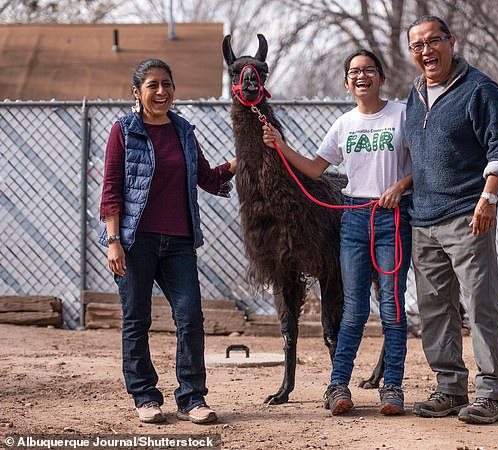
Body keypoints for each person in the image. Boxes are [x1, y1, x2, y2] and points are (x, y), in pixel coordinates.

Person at [262, 50, 413, 416]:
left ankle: (392, 387)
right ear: (347, 82)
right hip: (354, 220)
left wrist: (401, 185)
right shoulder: (344, 124)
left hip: (392, 219)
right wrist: (281, 147)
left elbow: (425, 163)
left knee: (392, 309)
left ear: (381, 77)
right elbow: (315, 169)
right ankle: (337, 385)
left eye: (369, 70)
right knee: (354, 310)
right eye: (354, 72)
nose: (361, 76)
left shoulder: (402, 114)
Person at [99, 58, 236, 425]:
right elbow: (111, 190)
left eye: (167, 84)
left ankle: (192, 399)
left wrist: (244, 159)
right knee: (137, 319)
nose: (161, 92)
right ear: (137, 93)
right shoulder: (124, 131)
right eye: (153, 86)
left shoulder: (184, 131)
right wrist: (114, 240)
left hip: (178, 242)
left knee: (190, 315)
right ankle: (144, 396)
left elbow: (206, 177)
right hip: (134, 241)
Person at [404, 16, 498, 424]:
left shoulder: (480, 89)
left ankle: (491, 394)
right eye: (417, 46)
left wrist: (489, 197)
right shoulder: (414, 94)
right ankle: (449, 387)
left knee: (481, 304)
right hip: (423, 218)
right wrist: (403, 187)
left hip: (469, 216)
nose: (426, 51)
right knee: (434, 309)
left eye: (434, 42)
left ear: (452, 42)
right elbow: (420, 158)